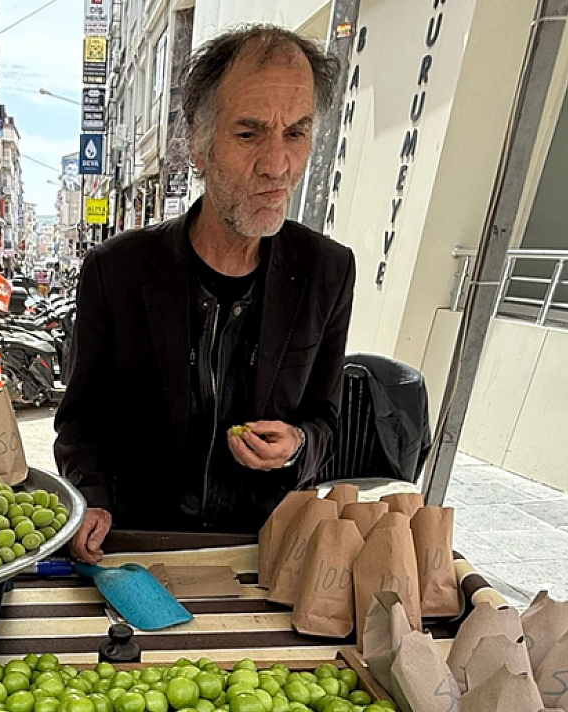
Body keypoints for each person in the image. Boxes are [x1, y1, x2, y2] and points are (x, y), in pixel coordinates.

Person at [54, 25, 352, 563]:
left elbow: (325, 419)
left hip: (265, 554)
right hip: (138, 548)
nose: (277, 165)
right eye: (248, 134)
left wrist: (298, 447)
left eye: (296, 133)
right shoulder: (114, 271)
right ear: (197, 143)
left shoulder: (327, 271)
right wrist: (90, 500)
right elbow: (81, 420)